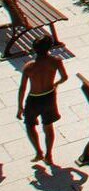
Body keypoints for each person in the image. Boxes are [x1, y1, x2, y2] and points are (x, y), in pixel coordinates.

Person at [17, 35, 67, 165]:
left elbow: (22, 88)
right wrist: (56, 83)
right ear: (50, 47)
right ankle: (49, 155)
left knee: (29, 125)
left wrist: (20, 106)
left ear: (34, 49)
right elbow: (64, 77)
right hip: (49, 96)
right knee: (48, 126)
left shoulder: (29, 66)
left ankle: (38, 152)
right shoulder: (56, 61)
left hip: (33, 99)